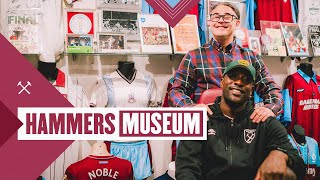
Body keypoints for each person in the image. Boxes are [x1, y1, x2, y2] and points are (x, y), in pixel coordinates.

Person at [175, 60, 305, 180]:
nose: (238, 82)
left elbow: (299, 168)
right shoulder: (201, 120)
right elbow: (186, 169)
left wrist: (280, 155)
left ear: (252, 88)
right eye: (232, 77)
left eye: (246, 79)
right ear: (222, 82)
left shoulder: (264, 121)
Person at [168, 2, 282, 122]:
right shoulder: (193, 56)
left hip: (242, 128)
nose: (221, 21)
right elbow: (176, 92)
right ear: (209, 22)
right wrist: (192, 108)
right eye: (216, 16)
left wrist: (270, 108)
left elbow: (271, 88)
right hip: (208, 126)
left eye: (227, 17)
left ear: (237, 23)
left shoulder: (251, 57)